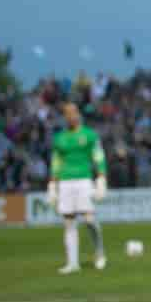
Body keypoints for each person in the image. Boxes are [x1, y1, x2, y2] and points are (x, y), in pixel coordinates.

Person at [47, 102, 108, 274]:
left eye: (73, 112)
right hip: (65, 182)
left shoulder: (89, 135)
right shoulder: (59, 138)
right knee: (68, 221)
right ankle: (72, 263)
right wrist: (52, 184)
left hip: (84, 180)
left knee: (89, 219)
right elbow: (56, 162)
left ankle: (100, 252)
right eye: (67, 113)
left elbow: (98, 156)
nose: (71, 116)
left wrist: (101, 179)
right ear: (64, 116)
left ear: (78, 114)